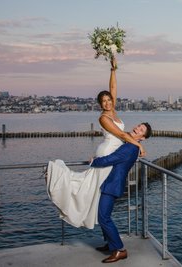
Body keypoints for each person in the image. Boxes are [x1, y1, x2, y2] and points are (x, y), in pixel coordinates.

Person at [46, 57, 146, 229]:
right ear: (100, 104)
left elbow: (113, 88)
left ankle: (103, 224)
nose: (108, 102)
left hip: (113, 151)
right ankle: (91, 215)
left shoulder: (113, 111)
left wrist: (113, 70)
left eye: (109, 100)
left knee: (95, 190)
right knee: (92, 188)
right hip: (107, 151)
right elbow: (121, 134)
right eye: (104, 101)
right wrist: (139, 145)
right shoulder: (104, 118)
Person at [91, 122, 151, 263]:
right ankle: (110, 244)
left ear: (142, 137)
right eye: (138, 126)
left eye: (141, 129)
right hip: (111, 183)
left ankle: (120, 249)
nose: (136, 128)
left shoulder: (130, 147)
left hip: (112, 185)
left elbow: (111, 159)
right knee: (104, 215)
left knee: (103, 217)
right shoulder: (131, 145)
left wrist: (94, 161)